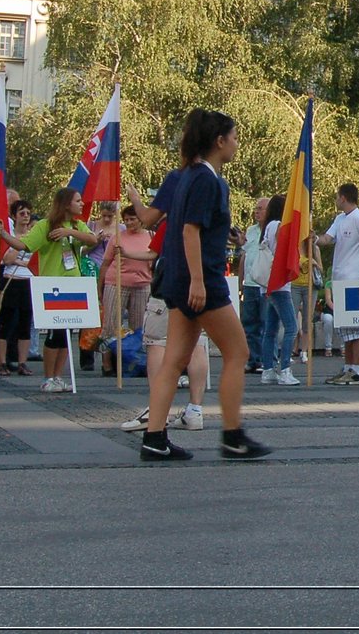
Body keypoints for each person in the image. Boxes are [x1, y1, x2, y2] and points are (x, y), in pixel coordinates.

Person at [138, 108, 270, 461]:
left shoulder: (189, 176)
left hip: (180, 280)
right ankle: (232, 435)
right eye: (235, 137)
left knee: (174, 360)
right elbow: (189, 230)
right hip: (202, 281)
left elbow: (187, 226)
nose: (237, 144)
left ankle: (154, 437)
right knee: (238, 352)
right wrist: (198, 280)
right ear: (219, 141)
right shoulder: (206, 179)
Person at [118, 232, 207, 434]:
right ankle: (195, 410)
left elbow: (153, 249)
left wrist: (134, 199)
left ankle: (157, 410)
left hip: (170, 287)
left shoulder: (174, 216)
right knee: (197, 342)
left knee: (156, 342)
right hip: (200, 284)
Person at [20, 188, 101, 392]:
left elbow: (92, 240)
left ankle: (58, 376)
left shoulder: (76, 224)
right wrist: (2, 234)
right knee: (54, 333)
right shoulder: (44, 225)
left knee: (67, 333)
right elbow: (25, 245)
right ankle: (48, 377)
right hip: (52, 285)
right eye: (78, 201)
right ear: (66, 204)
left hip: (73, 284)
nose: (82, 204)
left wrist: (70, 232)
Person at [315, 183, 359, 386]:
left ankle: (357, 370)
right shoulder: (340, 218)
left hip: (355, 279)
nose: (336, 200)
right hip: (341, 281)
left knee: (357, 327)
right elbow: (328, 238)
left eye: (337, 196)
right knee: (346, 328)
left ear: (343, 197)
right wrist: (314, 239)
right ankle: (348, 368)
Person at [251, 195, 300, 386]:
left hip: (267, 285)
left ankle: (268, 369)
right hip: (280, 284)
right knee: (291, 326)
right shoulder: (279, 226)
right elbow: (284, 249)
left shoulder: (267, 227)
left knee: (270, 329)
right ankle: (285, 368)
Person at [100, 207, 156, 349]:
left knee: (139, 326)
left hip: (142, 285)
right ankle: (108, 364)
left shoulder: (151, 236)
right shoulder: (117, 237)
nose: (129, 223)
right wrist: (99, 287)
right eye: (126, 220)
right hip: (116, 283)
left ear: (140, 219)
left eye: (132, 219)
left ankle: (134, 360)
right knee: (111, 325)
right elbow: (105, 263)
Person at [0, 201, 36, 378]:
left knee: (25, 324)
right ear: (14, 216)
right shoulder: (10, 235)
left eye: (28, 213)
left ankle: (22, 362)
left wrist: (21, 257)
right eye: (22, 213)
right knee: (5, 323)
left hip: (29, 281)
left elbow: (36, 259)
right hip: (11, 281)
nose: (26, 216)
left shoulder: (34, 235)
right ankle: (1, 362)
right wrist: (19, 250)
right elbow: (8, 258)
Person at [239, 197, 269, 372]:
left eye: (260, 208)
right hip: (250, 283)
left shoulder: (273, 229)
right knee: (249, 323)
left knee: (266, 323)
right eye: (255, 209)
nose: (256, 212)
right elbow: (244, 256)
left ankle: (268, 361)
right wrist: (241, 282)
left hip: (265, 284)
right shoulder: (250, 231)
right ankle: (253, 359)